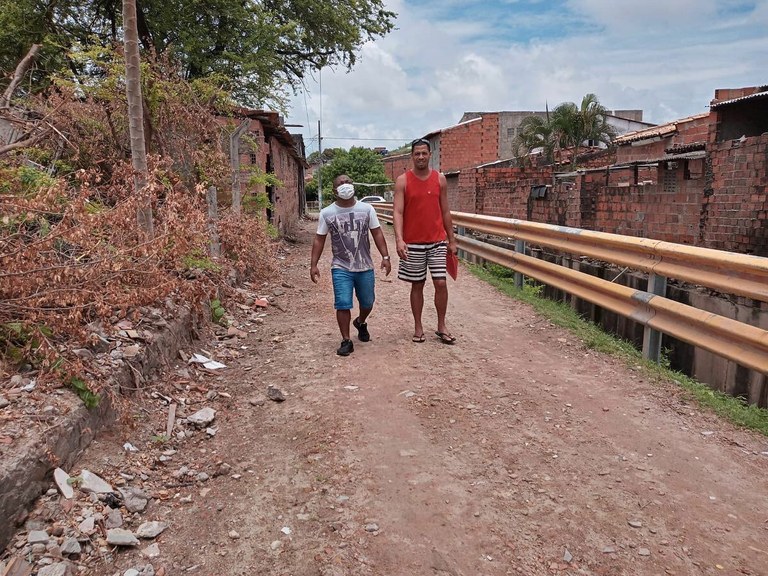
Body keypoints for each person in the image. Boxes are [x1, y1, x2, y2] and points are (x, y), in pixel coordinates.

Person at [310, 174, 392, 356]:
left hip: (365, 266)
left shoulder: (367, 209)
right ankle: (346, 340)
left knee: (368, 302)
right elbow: (319, 239)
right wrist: (313, 264)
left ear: (353, 186)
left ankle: (361, 322)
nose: (345, 185)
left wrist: (385, 257)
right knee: (343, 303)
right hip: (341, 267)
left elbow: (377, 233)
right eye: (341, 183)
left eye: (348, 182)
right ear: (334, 190)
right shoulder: (327, 213)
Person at [393, 138, 458, 344]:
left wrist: (452, 240)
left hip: (437, 241)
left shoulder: (440, 179)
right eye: (417, 153)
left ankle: (441, 325)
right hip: (413, 243)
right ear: (412, 156)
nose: (420, 157)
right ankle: (418, 327)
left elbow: (445, 211)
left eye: (424, 153)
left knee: (441, 282)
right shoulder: (403, 181)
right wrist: (399, 239)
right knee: (417, 284)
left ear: (430, 155)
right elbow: (398, 212)